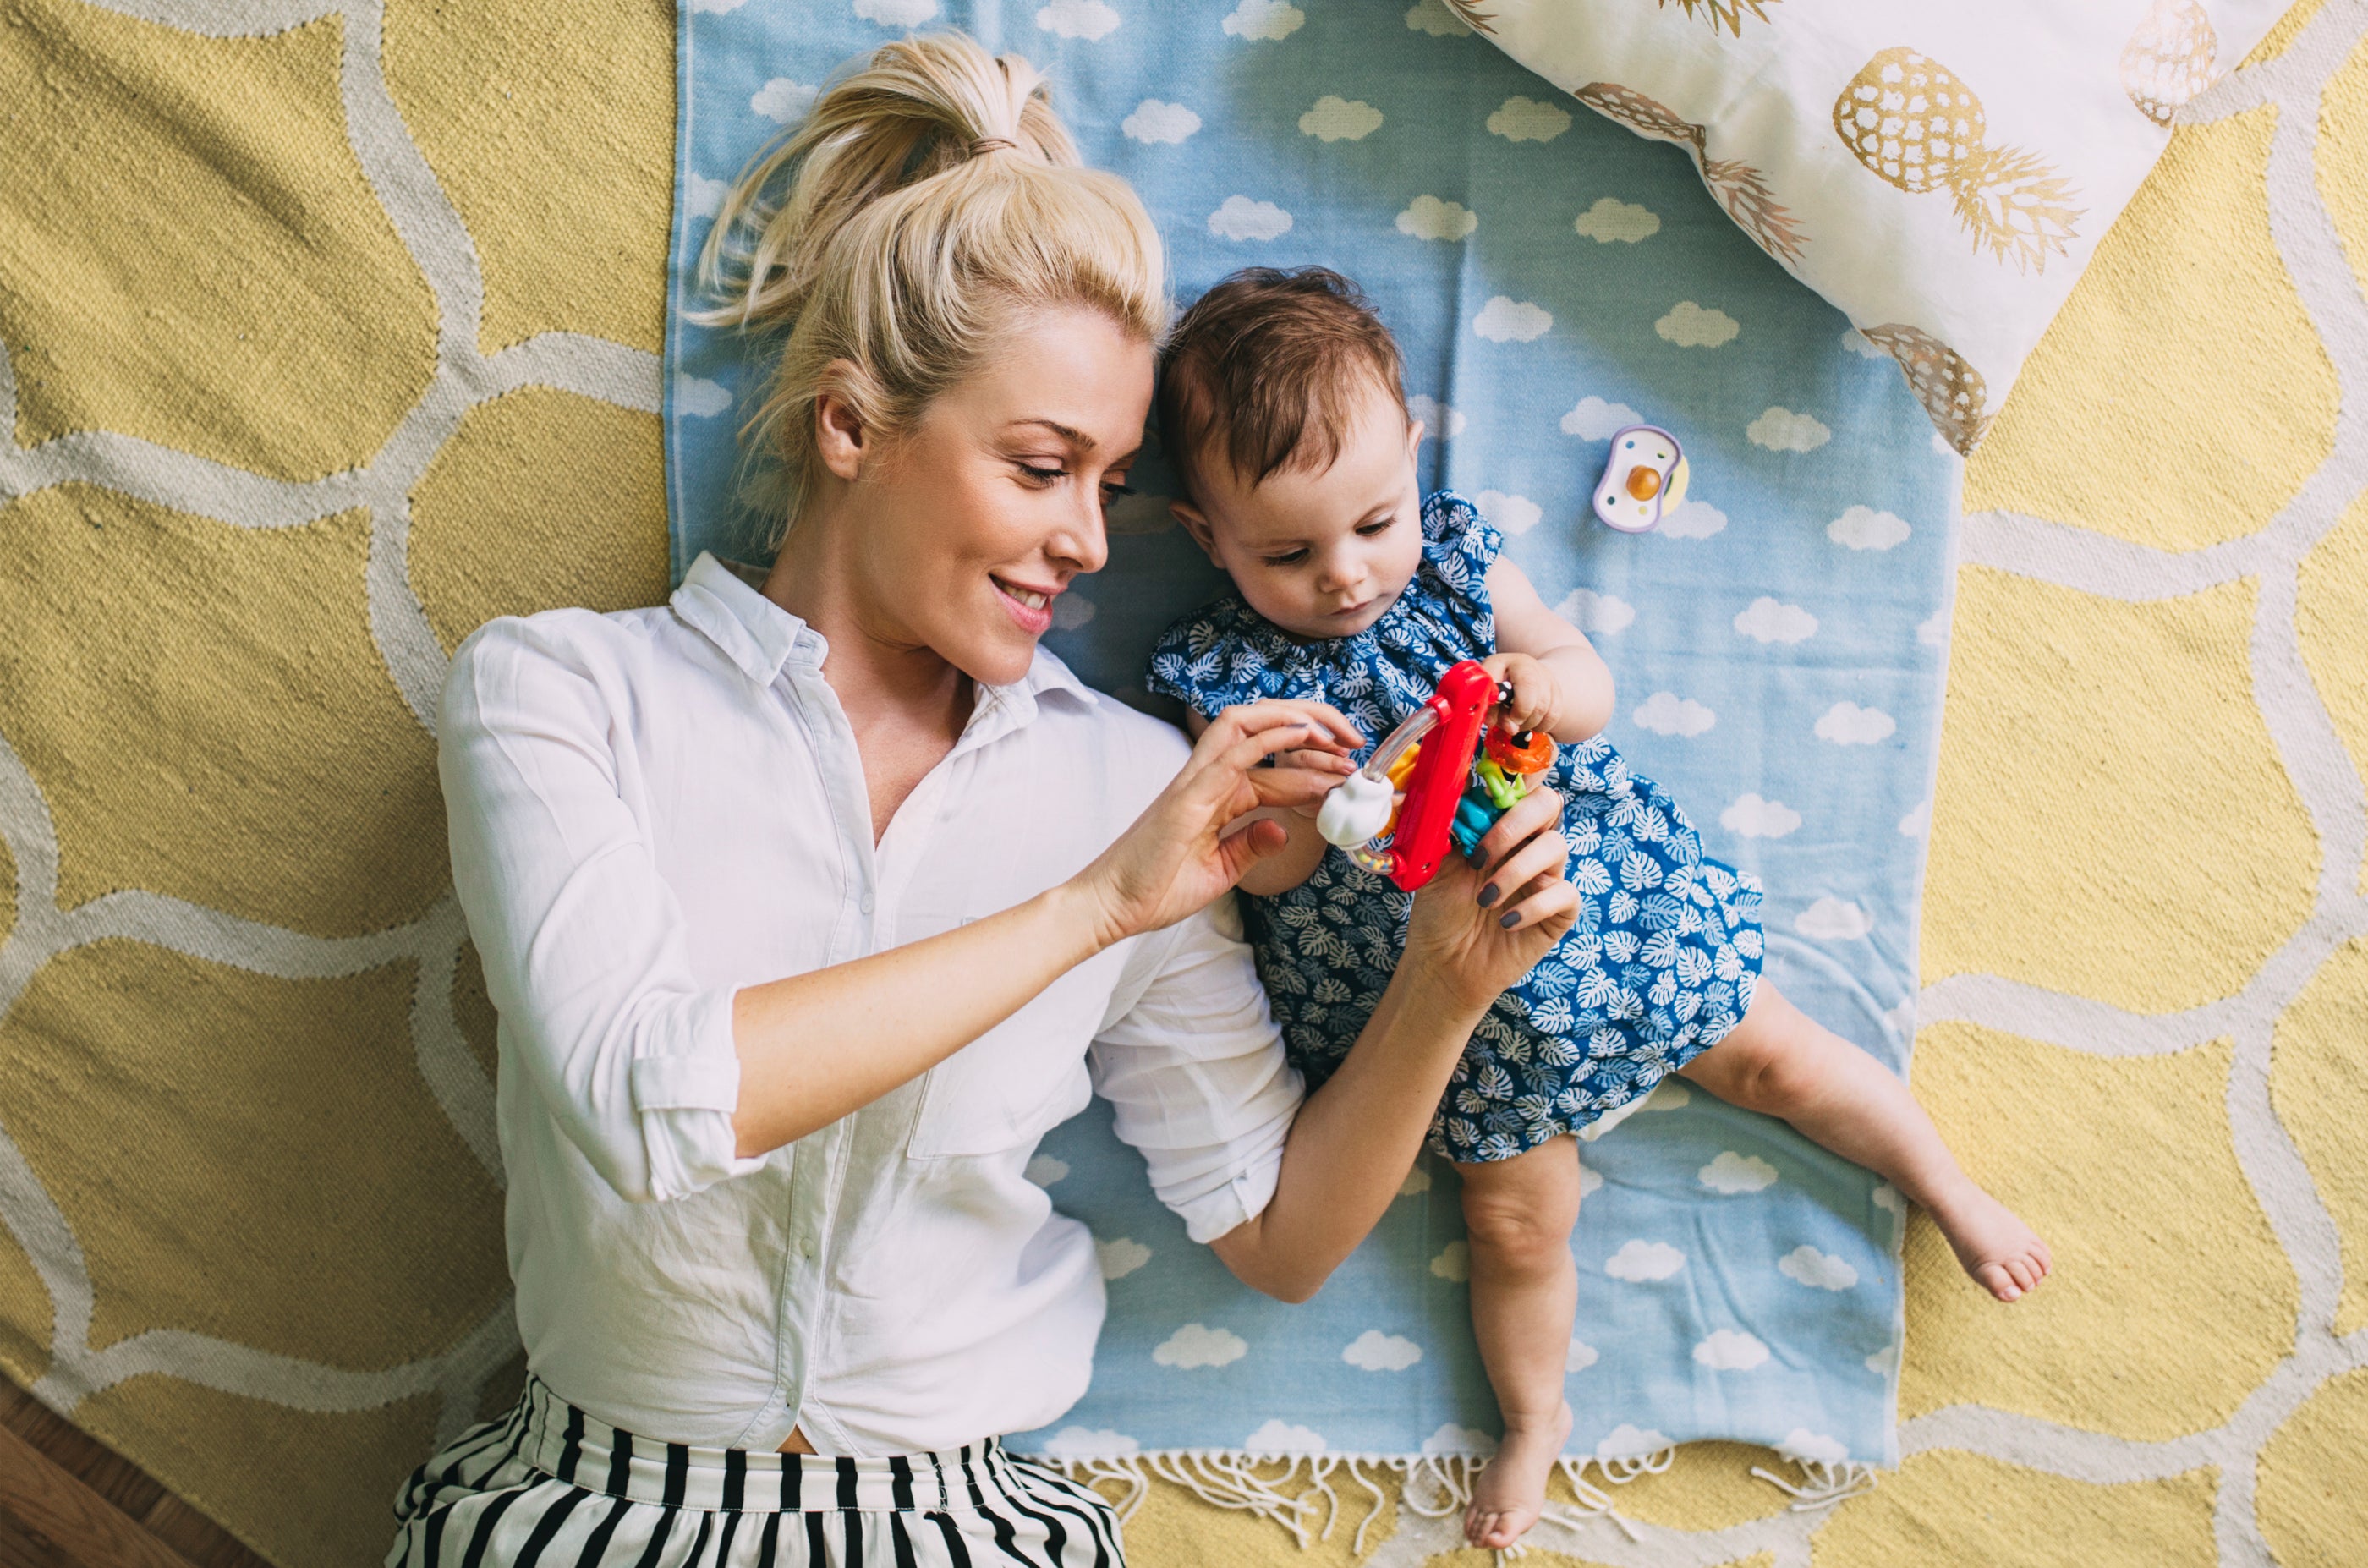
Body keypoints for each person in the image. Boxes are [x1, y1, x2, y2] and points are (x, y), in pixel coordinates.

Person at [386, 37, 1577, 1568]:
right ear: (849, 426)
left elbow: (1277, 1240)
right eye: (1040, 466)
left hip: (959, 1519)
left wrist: (1445, 984)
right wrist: (1092, 908)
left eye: (1112, 483)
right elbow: (648, 1102)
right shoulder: (559, 693)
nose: (1085, 538)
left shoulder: (1136, 782)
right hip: (592, 1506)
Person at [1143, 266, 2052, 1554]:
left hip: (1604, 906)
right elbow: (1267, 873)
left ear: (1414, 455)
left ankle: (1946, 1186)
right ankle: (1534, 1417)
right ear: (1205, 534)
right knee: (1517, 1224)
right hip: (1440, 1003)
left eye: (1372, 521)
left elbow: (1588, 679)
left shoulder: (1457, 565)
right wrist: (1287, 804)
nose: (1344, 576)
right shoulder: (1228, 679)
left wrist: (1536, 689)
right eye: (1286, 553)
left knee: (1780, 1055)